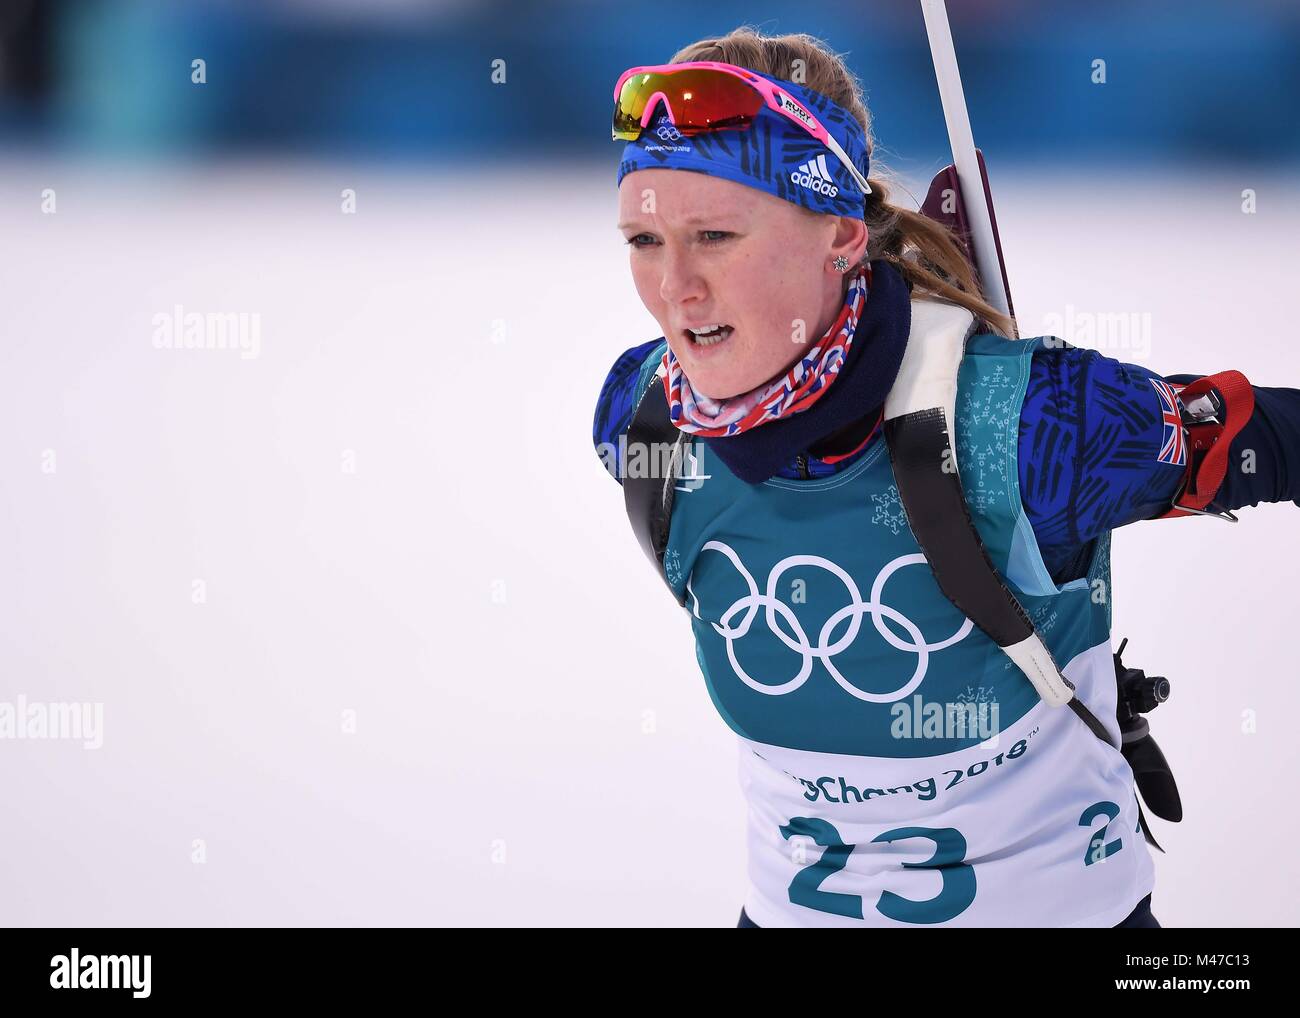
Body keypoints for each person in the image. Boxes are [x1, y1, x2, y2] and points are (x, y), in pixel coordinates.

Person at [594, 26, 1300, 928]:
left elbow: (1271, 437)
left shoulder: (1038, 424)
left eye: (715, 235)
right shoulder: (641, 417)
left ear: (842, 235)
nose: (673, 290)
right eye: (643, 239)